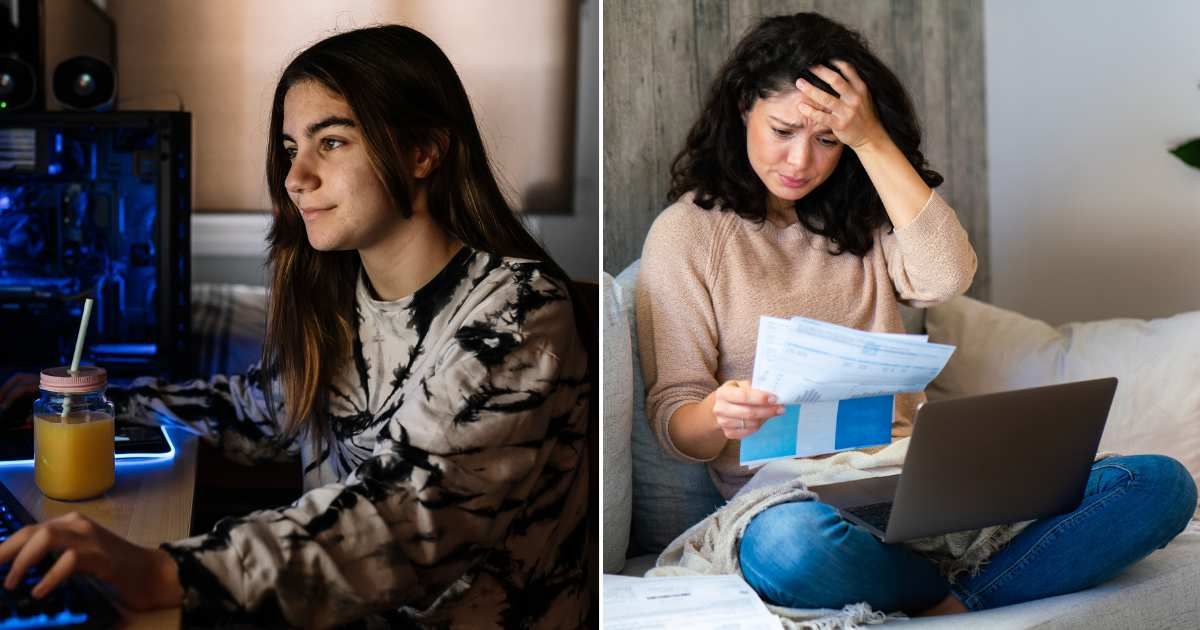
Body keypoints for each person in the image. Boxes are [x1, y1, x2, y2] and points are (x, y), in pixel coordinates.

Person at [0, 25, 589, 628]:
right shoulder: (342, 303)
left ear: (422, 152)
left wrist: (165, 571)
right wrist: (99, 403)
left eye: (330, 142)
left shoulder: (519, 310)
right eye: (289, 149)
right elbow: (262, 407)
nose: (295, 177)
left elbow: (410, 514)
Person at [635, 12, 1195, 617]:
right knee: (788, 551)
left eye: (827, 140)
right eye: (783, 130)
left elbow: (946, 277)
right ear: (745, 106)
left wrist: (871, 139)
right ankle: (976, 588)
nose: (801, 159)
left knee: (1160, 484)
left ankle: (953, 598)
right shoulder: (689, 236)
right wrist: (719, 413)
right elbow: (675, 419)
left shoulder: (866, 218)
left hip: (914, 480)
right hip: (795, 502)